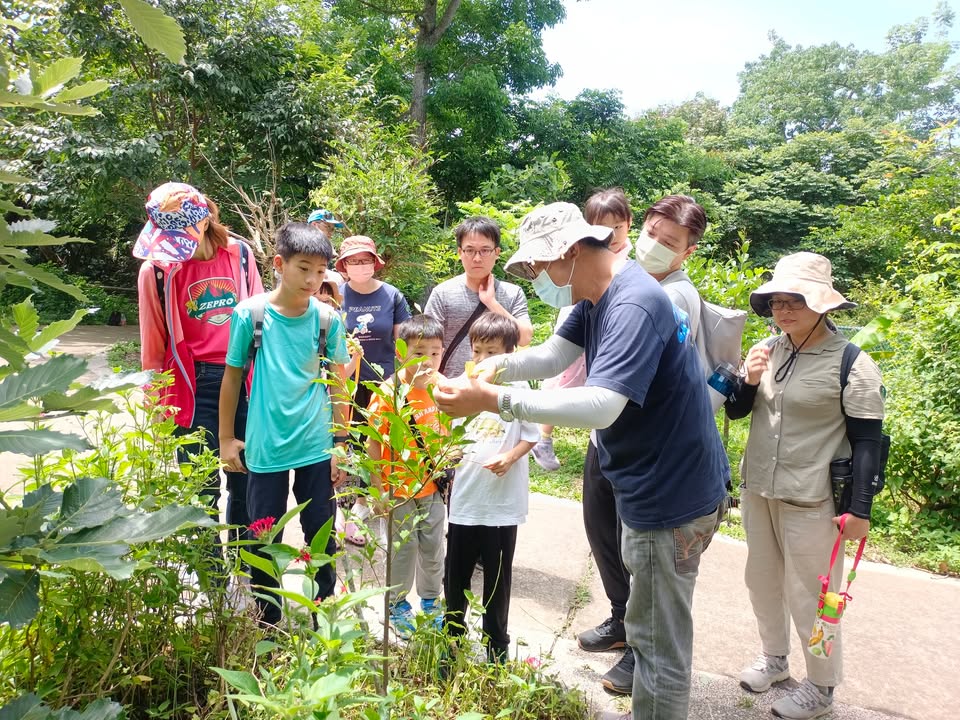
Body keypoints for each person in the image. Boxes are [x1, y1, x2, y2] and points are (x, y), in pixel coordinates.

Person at [434, 202, 729, 720]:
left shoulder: (633, 303)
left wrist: (493, 400)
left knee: (658, 647)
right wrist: (494, 367)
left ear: (570, 253)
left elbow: (602, 403)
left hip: (671, 493)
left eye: (542, 266)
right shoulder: (596, 293)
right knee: (647, 629)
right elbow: (551, 356)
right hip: (649, 483)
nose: (542, 278)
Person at [724, 252, 884, 720]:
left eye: (795, 300)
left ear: (823, 304)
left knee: (812, 596)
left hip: (814, 501)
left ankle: (821, 686)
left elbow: (868, 444)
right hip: (760, 492)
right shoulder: (767, 351)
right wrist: (749, 382)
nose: (783, 309)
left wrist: (861, 510)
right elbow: (736, 412)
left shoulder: (853, 364)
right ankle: (774, 659)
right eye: (776, 301)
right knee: (762, 582)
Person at [576, 194, 711, 695]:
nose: (654, 245)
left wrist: (506, 402)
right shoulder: (617, 283)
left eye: (669, 242)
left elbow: (621, 392)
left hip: (651, 455)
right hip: (609, 439)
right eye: (652, 233)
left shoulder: (668, 297)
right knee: (606, 539)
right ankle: (622, 622)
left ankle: (639, 650)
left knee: (645, 558)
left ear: (687, 253)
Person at [219, 222, 351, 627]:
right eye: (303, 268)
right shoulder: (250, 314)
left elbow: (339, 386)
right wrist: (226, 438)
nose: (313, 279)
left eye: (321, 270)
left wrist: (341, 446)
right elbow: (232, 376)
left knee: (321, 532)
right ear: (280, 264)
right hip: (265, 447)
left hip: (315, 445)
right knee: (264, 535)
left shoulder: (328, 320)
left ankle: (323, 616)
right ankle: (268, 620)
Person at [135, 181, 263, 555]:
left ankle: (247, 571)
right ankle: (215, 587)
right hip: (192, 386)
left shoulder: (239, 254)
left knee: (247, 482)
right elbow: (153, 343)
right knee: (200, 489)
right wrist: (155, 404)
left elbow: (259, 318)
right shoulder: (156, 271)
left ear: (204, 221)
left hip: (244, 380)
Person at [444, 312, 539, 663]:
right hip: (465, 501)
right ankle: (450, 643)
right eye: (478, 351)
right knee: (455, 577)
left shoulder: (517, 391)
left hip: (501, 507)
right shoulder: (463, 387)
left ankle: (496, 649)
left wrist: (510, 458)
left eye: (492, 353)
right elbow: (448, 432)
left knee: (498, 582)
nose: (482, 360)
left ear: (510, 354)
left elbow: (532, 435)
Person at [532, 188, 633, 472]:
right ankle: (543, 437)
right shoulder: (581, 293)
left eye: (618, 227)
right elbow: (554, 355)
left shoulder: (633, 288)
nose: (611, 234)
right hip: (606, 445)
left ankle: (543, 437)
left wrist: (499, 400)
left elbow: (603, 403)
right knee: (565, 375)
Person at [366, 314, 448, 638]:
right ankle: (396, 603)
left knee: (432, 546)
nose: (427, 361)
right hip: (399, 489)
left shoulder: (441, 386)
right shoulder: (390, 392)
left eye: (435, 352)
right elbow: (374, 443)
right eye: (419, 352)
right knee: (403, 548)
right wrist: (377, 490)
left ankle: (431, 601)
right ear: (401, 352)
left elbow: (446, 430)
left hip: (432, 486)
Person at [335, 235, 412, 545]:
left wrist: (404, 382)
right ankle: (343, 509)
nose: (360, 266)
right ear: (343, 266)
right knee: (344, 448)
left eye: (365, 260)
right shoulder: (334, 295)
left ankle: (363, 506)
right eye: (353, 261)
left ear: (375, 262)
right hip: (343, 385)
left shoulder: (392, 296)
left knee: (377, 447)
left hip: (383, 384)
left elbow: (403, 345)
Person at [424, 216, 533, 378]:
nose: (477, 258)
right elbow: (426, 345)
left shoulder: (512, 293)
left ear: (496, 253)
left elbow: (525, 338)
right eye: (470, 250)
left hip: (497, 389)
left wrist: (492, 303)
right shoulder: (442, 293)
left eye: (485, 250)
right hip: (451, 388)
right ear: (460, 252)